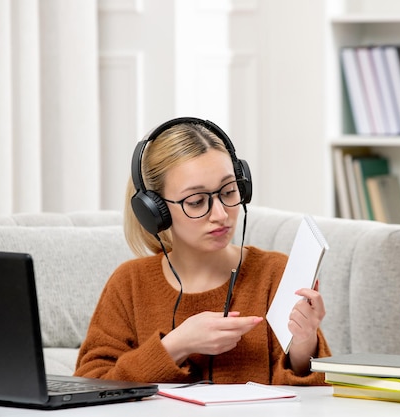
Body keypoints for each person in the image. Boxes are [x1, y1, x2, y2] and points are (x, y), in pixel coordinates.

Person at [75, 117, 331, 385]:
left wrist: (304, 344)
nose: (221, 214)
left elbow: (317, 400)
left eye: (230, 191)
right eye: (196, 201)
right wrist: (176, 345)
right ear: (155, 210)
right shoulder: (130, 283)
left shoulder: (275, 274)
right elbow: (91, 385)